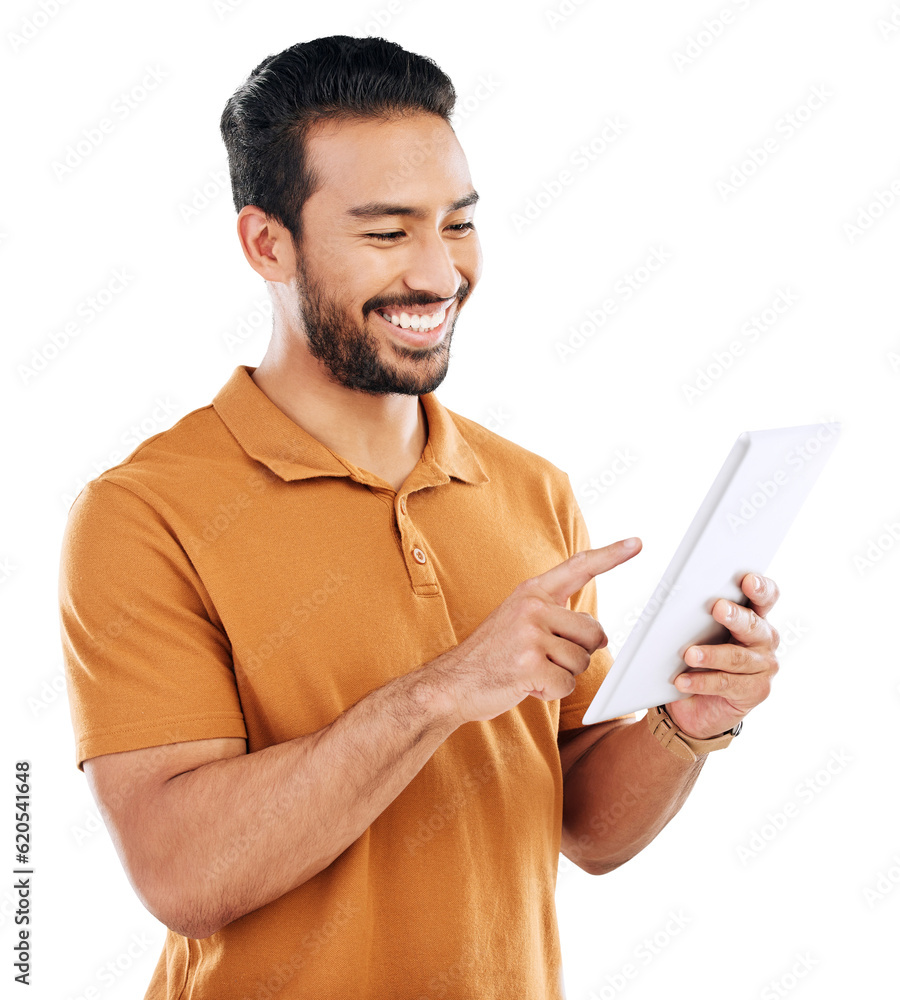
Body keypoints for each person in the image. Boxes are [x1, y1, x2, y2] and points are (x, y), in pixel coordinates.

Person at [58, 35, 781, 1000]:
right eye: (389, 232)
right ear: (266, 242)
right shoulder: (142, 513)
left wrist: (688, 723)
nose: (441, 275)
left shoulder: (532, 489)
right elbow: (184, 876)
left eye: (458, 223)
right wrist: (444, 689)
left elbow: (581, 826)